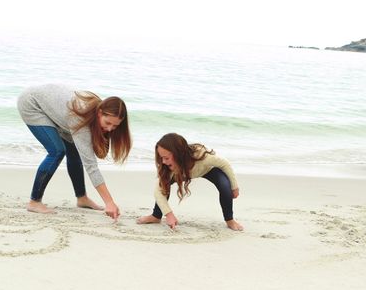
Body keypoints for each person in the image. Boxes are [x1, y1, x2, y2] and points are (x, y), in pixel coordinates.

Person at [17, 84, 132, 220]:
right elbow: (91, 166)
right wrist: (109, 202)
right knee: (57, 151)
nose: (110, 129)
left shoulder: (96, 111)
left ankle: (82, 198)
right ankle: (34, 201)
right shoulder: (81, 116)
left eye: (115, 126)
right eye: (107, 123)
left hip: (54, 108)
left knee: (74, 151)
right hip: (32, 104)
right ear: (100, 112)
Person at [137, 133, 244, 231]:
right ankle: (156, 216)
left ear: (178, 154)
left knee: (225, 187)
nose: (163, 162)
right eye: (161, 158)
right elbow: (158, 191)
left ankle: (230, 220)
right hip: (180, 172)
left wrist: (235, 187)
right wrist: (169, 214)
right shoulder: (169, 169)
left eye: (166, 158)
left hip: (207, 170)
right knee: (163, 185)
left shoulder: (201, 158)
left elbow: (224, 164)